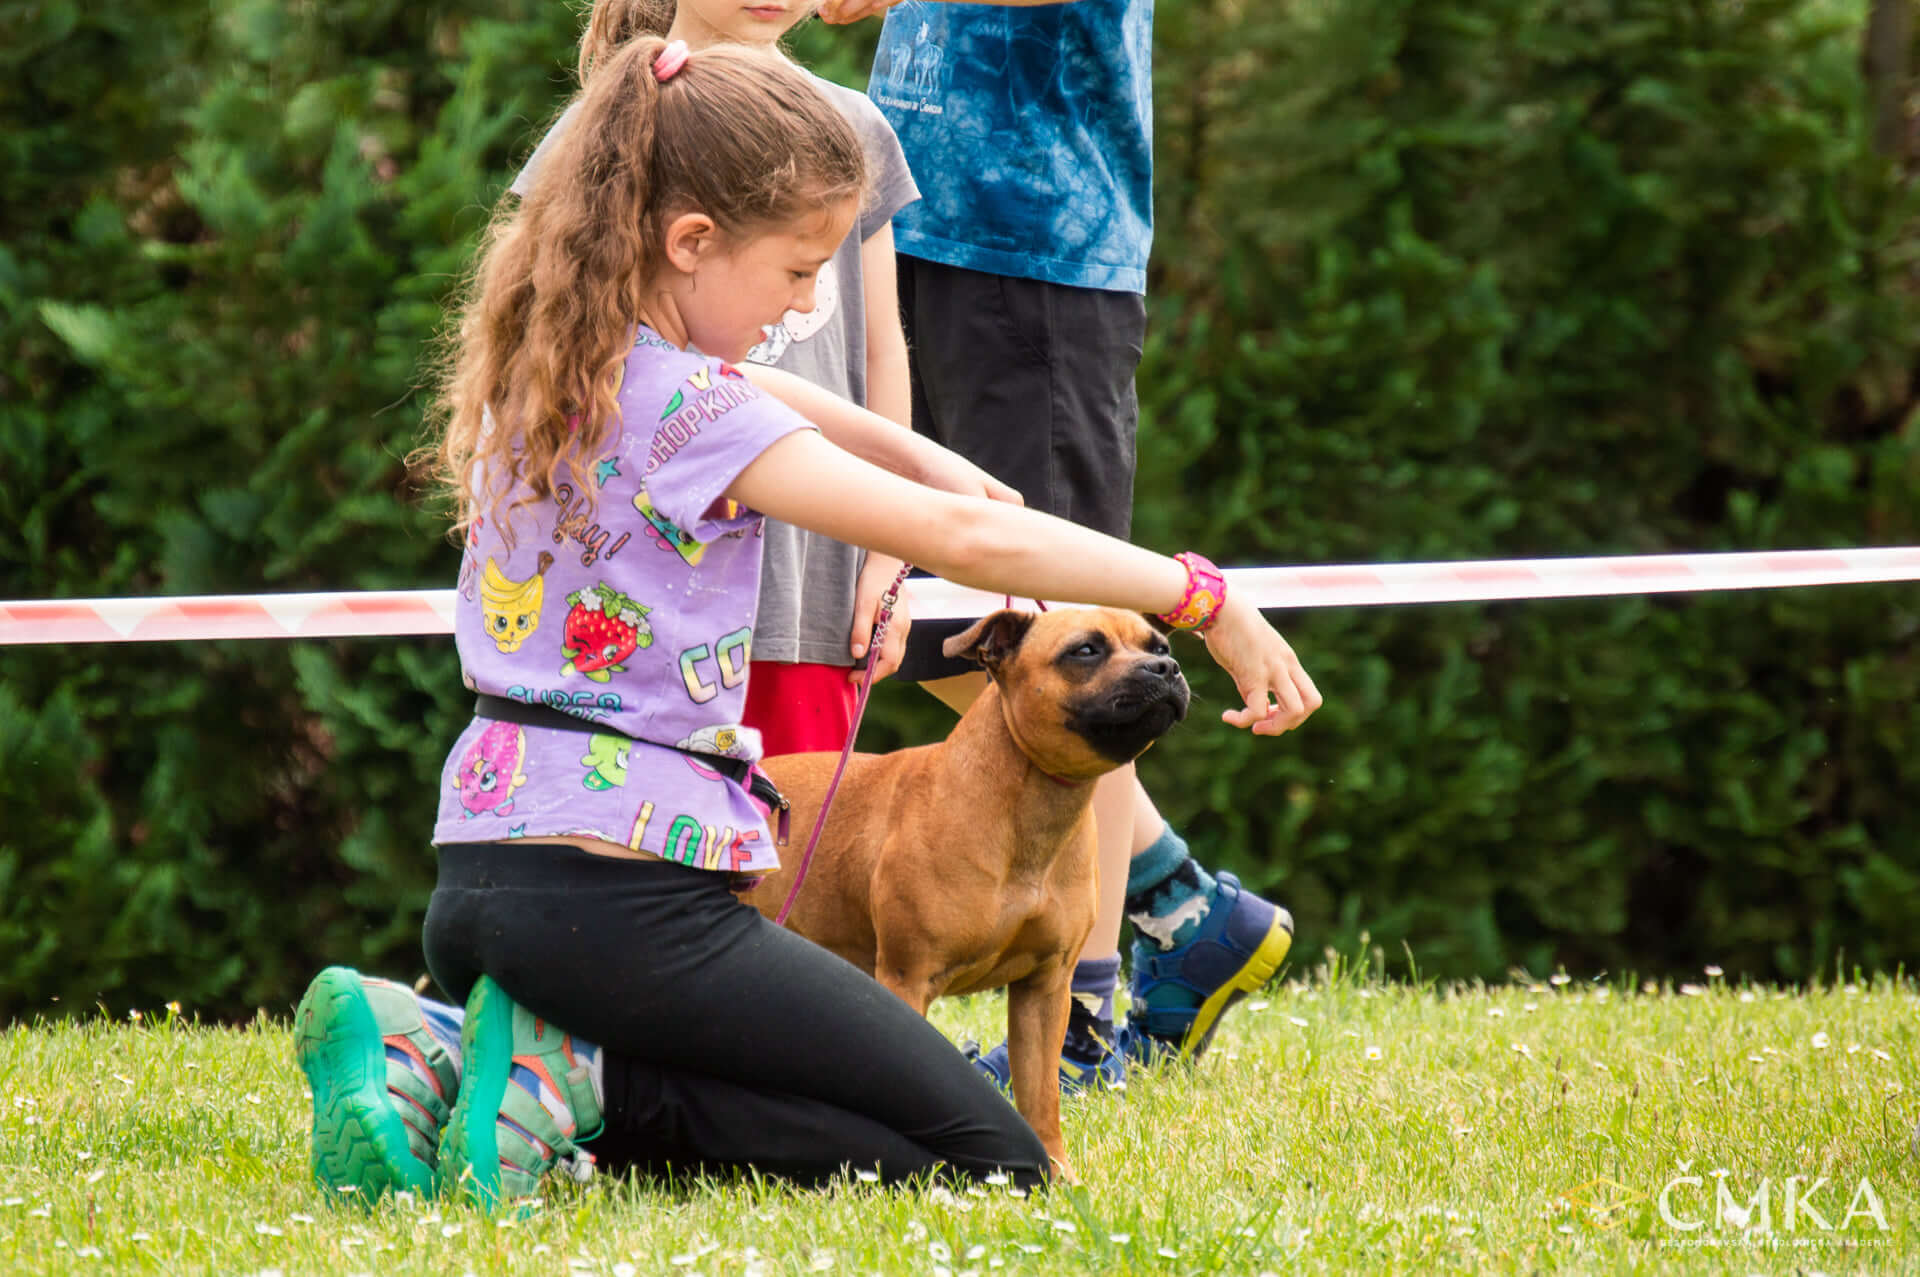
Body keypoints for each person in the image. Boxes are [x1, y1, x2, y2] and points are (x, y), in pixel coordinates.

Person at [295, 36, 1320, 1208]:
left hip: (482, 879)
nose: (810, 302)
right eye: (795, 271)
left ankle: (439, 1043)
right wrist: (1201, 594)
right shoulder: (696, 410)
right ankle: (570, 1071)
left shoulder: (551, 370)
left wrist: (931, 455)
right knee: (992, 1160)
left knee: (824, 1114)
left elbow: (796, 397)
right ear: (691, 243)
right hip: (630, 904)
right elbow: (976, 553)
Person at [814, 0, 1289, 1089]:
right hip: (912, 233)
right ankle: (1178, 901)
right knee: (922, 619)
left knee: (1062, 626)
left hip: (1039, 252)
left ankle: (1082, 1018)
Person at [514, 0, 924, 754]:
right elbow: (543, 342)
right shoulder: (609, 122)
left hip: (811, 592)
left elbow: (881, 349)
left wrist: (888, 557)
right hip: (639, 601)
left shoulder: (855, 126)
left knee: (794, 861)